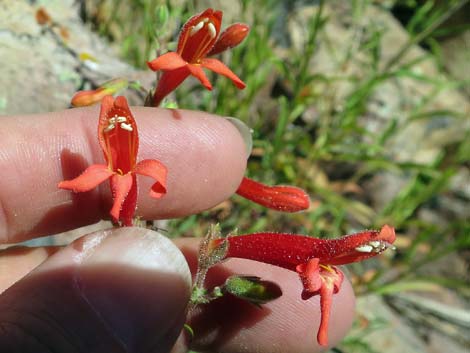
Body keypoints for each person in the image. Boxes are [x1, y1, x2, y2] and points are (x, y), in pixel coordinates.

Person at [0, 106, 355, 352]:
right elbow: (102, 182)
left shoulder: (149, 168)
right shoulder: (134, 170)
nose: (119, 133)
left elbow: (155, 178)